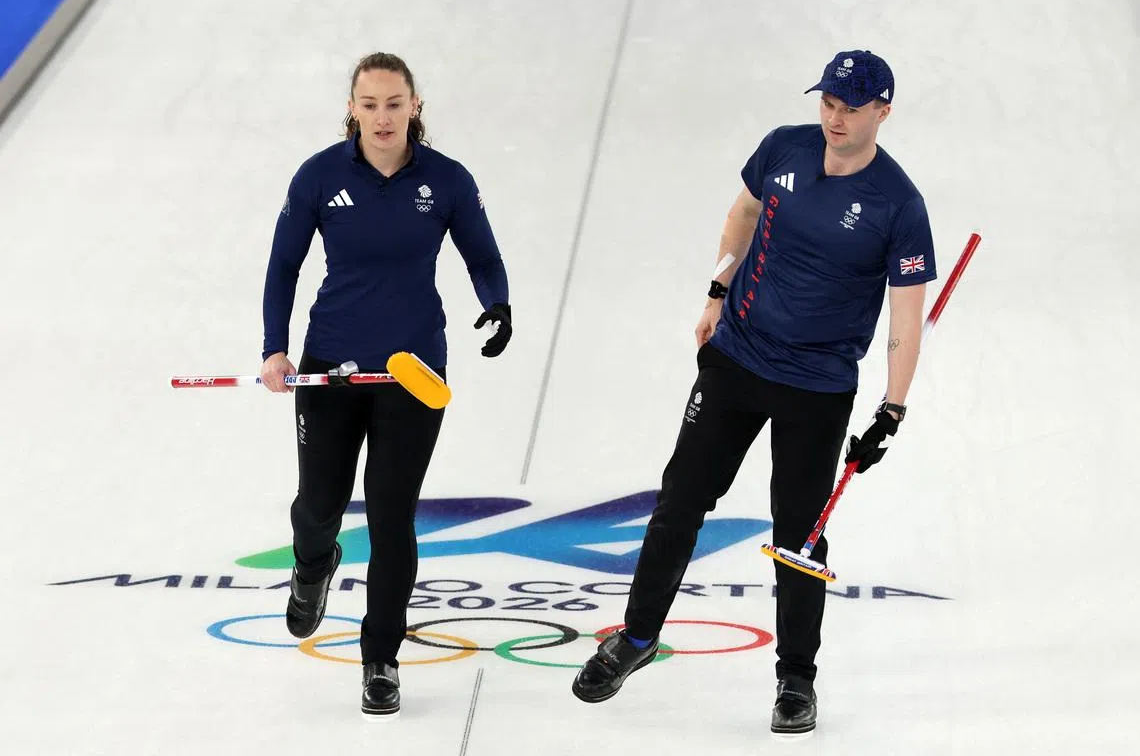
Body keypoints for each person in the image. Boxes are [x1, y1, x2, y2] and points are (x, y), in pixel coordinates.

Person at [571, 50, 936, 738]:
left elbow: (906, 317)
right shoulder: (783, 149)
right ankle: (638, 638)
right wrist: (716, 290)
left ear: (882, 112)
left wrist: (892, 407)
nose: (833, 117)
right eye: (827, 102)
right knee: (680, 499)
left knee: (800, 536)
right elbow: (741, 216)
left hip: (817, 385)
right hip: (736, 355)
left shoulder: (899, 205)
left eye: (850, 108)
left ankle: (796, 679)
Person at [259, 51, 511, 718]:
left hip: (412, 373)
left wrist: (498, 301)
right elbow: (284, 265)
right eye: (369, 104)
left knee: (393, 514)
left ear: (415, 107)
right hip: (330, 368)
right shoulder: (319, 177)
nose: (381, 116)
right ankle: (313, 564)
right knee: (320, 503)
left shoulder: (446, 181)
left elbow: (481, 253)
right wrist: (273, 349)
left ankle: (381, 660)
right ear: (351, 108)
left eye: (394, 103)